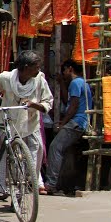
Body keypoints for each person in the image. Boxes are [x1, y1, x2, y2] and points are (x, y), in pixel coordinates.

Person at [0, 50, 52, 194]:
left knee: (36, 151)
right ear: (26, 67)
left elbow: (47, 101)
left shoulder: (39, 80)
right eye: (36, 67)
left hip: (30, 123)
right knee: (4, 153)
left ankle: (33, 181)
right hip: (9, 121)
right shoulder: (7, 78)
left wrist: (33, 104)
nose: (38, 70)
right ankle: (1, 184)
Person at [45, 60, 92, 195]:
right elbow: (68, 101)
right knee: (62, 150)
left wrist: (63, 123)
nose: (63, 74)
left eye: (64, 71)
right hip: (79, 121)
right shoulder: (80, 83)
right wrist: (61, 83)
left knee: (55, 147)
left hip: (77, 122)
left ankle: (51, 184)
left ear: (70, 69)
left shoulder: (76, 83)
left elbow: (73, 105)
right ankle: (60, 183)